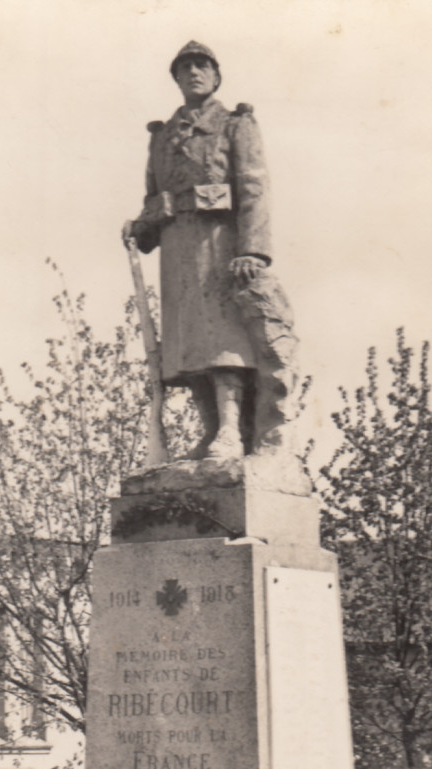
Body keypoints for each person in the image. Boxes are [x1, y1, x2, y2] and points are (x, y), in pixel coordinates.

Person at [122, 41, 299, 460]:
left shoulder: (235, 125)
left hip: (221, 247)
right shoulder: (162, 137)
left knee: (223, 339)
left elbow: (254, 188)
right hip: (177, 250)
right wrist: (140, 227)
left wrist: (253, 251)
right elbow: (155, 195)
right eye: (185, 67)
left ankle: (232, 431)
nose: (194, 72)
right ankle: (209, 430)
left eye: (202, 66)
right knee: (186, 347)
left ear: (216, 76)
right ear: (176, 78)